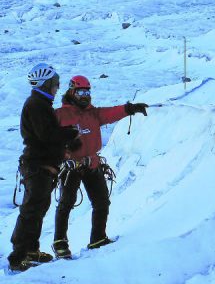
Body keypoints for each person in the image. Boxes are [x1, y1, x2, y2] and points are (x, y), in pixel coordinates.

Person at [52, 75, 148, 259]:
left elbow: (111, 113)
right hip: (71, 167)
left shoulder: (93, 114)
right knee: (66, 204)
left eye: (87, 91)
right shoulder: (60, 115)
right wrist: (62, 156)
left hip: (91, 164)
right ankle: (60, 243)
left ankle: (98, 238)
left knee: (102, 201)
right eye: (80, 91)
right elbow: (48, 139)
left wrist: (130, 109)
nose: (84, 95)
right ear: (71, 91)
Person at [8, 63, 80, 272]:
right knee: (31, 211)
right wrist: (69, 133)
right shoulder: (36, 105)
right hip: (37, 166)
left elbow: (47, 134)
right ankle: (18, 257)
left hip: (42, 166)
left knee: (37, 210)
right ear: (45, 83)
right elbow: (46, 135)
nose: (57, 87)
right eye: (55, 83)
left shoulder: (41, 104)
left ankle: (30, 250)